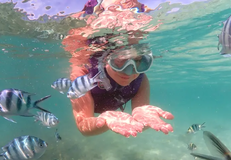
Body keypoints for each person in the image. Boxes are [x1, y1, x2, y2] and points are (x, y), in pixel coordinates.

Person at [62, 0, 174, 138]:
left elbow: (140, 122)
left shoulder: (141, 80)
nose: (131, 72)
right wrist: (104, 121)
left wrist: (145, 119)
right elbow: (83, 125)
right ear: (105, 59)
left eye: (139, 62)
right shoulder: (82, 73)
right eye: (120, 62)